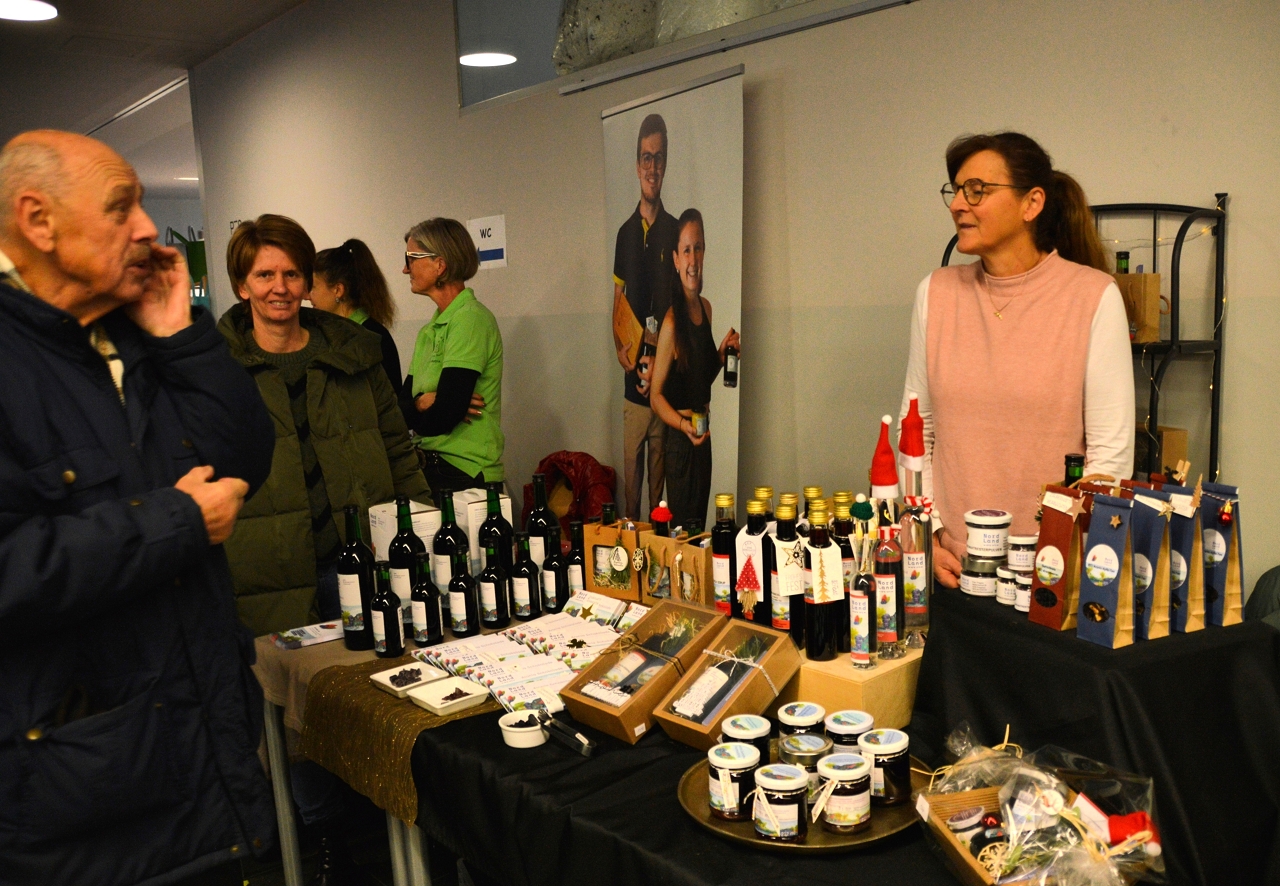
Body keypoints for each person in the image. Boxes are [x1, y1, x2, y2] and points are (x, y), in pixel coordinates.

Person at [0, 130, 275, 885]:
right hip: (82, 812)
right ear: (38, 220)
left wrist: (182, 338)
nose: (150, 229)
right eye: (121, 207)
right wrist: (177, 524)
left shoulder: (137, 333)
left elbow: (243, 464)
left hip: (207, 764)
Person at [900, 131, 1134, 588]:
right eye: (956, 190)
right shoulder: (936, 293)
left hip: (1048, 574)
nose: (958, 205)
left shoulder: (1093, 296)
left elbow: (1110, 457)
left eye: (977, 190)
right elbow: (916, 431)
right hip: (952, 566)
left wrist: (1060, 561)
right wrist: (925, 534)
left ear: (1032, 203)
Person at [219, 214, 428, 635]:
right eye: (265, 275)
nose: (280, 287)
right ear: (242, 286)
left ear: (306, 282)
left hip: (362, 563)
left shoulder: (356, 355)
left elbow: (398, 451)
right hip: (269, 579)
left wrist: (423, 530)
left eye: (292, 274)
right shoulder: (215, 373)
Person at [399, 217, 503, 501]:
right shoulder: (429, 330)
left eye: (411, 258)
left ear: (440, 265)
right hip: (430, 466)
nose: (405, 268)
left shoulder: (470, 319)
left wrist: (429, 407)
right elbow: (400, 409)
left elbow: (447, 413)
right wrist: (421, 402)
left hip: (463, 472)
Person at [650, 209, 740, 531]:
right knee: (683, 534)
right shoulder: (671, 323)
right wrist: (683, 425)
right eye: (686, 250)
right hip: (681, 442)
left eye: (697, 248)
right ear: (676, 260)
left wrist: (721, 356)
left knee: (699, 529)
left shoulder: (706, 308)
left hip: (703, 436)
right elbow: (656, 397)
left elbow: (698, 381)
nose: (693, 259)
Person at [612, 113, 680, 520]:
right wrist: (618, 345)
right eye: (646, 157)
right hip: (631, 390)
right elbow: (617, 300)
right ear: (638, 165)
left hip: (664, 389)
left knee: (660, 494)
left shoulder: (676, 230)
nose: (652, 166)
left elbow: (682, 309)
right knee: (631, 489)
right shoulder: (624, 233)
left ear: (665, 163)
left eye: (658, 157)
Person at [313, 237, 403, 395]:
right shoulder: (327, 335)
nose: (307, 296)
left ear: (338, 290)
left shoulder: (373, 338)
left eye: (313, 287)